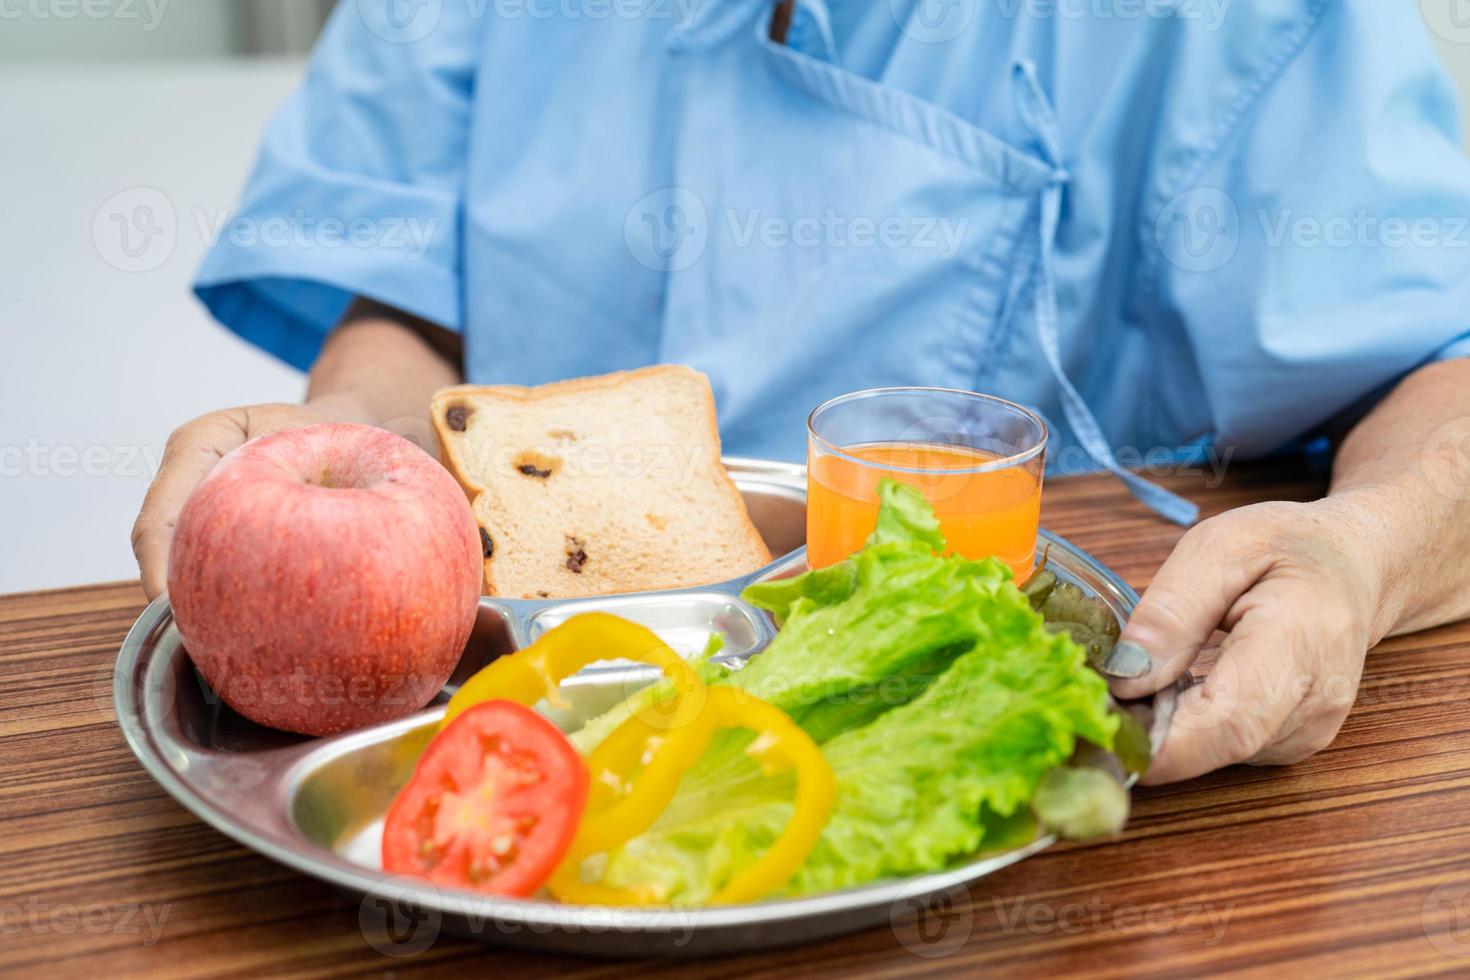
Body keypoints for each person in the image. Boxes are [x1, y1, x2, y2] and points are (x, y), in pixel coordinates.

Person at [133, 0, 1470, 783]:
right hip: (501, 739)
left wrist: (1355, 552)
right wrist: (341, 469)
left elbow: (1437, 366)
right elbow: (402, 294)